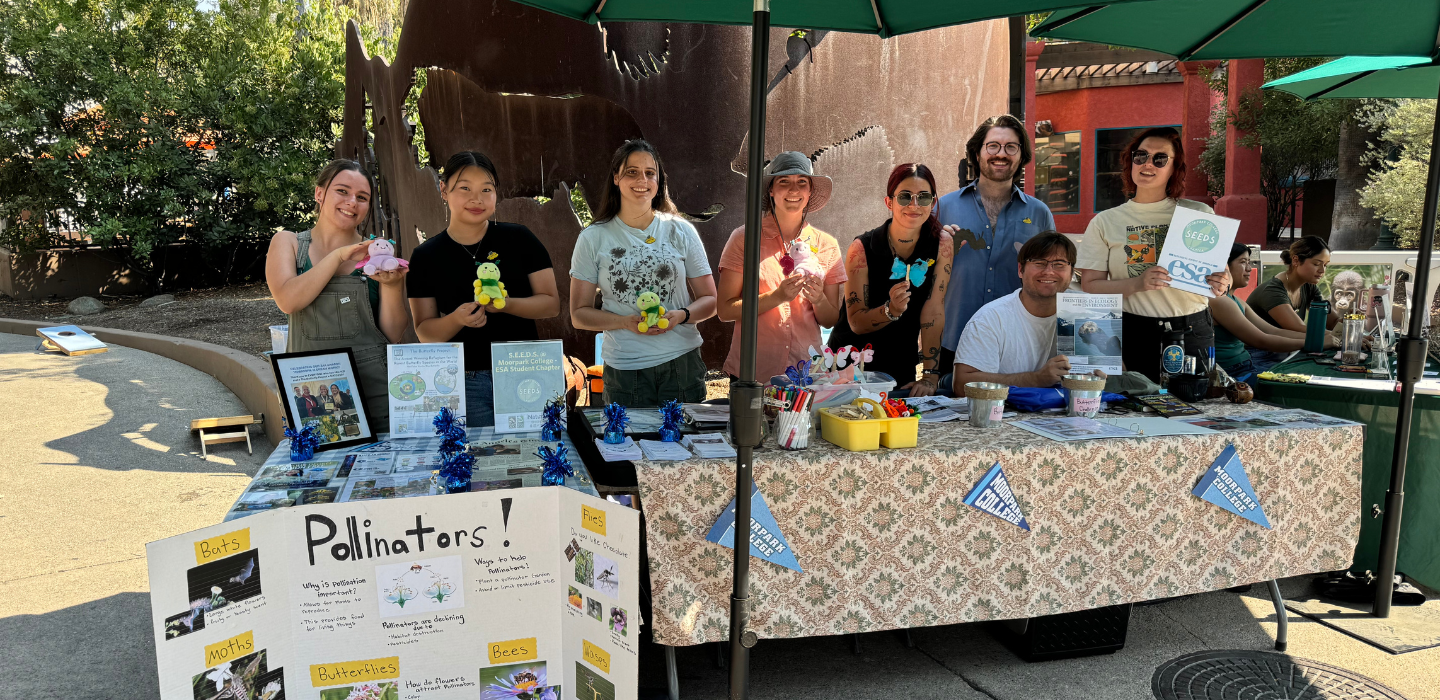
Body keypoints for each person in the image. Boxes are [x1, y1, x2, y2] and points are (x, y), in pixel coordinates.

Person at [408, 151, 560, 427]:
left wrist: (507, 304)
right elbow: (425, 332)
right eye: (464, 188)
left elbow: (551, 304)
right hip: (465, 380)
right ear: (444, 190)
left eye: (486, 190)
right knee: (477, 461)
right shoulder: (425, 256)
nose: (476, 199)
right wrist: (456, 319)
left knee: (534, 458)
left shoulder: (520, 238)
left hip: (525, 370)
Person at [569, 140, 718, 406]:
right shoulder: (593, 238)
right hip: (625, 371)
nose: (643, 180)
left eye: (650, 173)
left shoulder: (681, 231)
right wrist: (625, 322)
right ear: (616, 178)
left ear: (659, 180)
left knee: (686, 447)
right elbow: (579, 314)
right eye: (632, 172)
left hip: (682, 365)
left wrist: (681, 316)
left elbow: (710, 300)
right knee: (627, 447)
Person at [266, 160, 409, 434]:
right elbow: (288, 300)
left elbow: (393, 334)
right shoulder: (289, 243)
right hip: (310, 391)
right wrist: (339, 255)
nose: (352, 202)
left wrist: (392, 287)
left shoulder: (377, 254)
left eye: (362, 197)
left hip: (375, 391)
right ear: (320, 193)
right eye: (342, 191)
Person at [1076, 127, 1229, 382]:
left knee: (1193, 409)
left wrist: (1223, 283)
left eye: (1160, 159)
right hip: (1133, 331)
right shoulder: (1105, 222)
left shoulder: (1199, 215)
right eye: (1141, 156)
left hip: (1192, 329)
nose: (1148, 164)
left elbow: (1221, 276)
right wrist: (1137, 283)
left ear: (1174, 168)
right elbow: (1090, 286)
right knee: (1132, 410)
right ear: (1130, 161)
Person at [935, 114, 1056, 374]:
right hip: (953, 340)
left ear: (1021, 156)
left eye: (1011, 147)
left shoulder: (1039, 213)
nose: (1001, 154)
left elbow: (1054, 277)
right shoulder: (944, 207)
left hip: (1018, 344)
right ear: (977, 153)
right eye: (993, 146)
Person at [827, 163, 955, 398]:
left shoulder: (941, 243)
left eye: (923, 197)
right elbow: (855, 321)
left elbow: (933, 311)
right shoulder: (862, 248)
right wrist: (890, 310)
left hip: (900, 366)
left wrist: (929, 375)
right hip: (851, 367)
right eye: (905, 197)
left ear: (933, 203)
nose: (914, 205)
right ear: (889, 202)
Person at [716, 152, 845, 381]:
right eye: (784, 181)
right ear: (771, 190)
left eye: (801, 182)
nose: (793, 190)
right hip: (753, 372)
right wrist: (776, 296)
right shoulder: (744, 238)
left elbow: (830, 319)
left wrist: (819, 300)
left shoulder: (827, 245)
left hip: (807, 373)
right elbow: (725, 310)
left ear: (809, 192)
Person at [949, 232, 1087, 391]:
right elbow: (962, 384)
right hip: (1006, 413)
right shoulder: (990, 319)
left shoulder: (1088, 309)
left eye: (1059, 264)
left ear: (1071, 273)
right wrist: (1035, 379)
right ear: (1020, 269)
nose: (1049, 271)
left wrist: (1102, 375)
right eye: (1039, 262)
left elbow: (1115, 371)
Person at [1211, 243, 1333, 380]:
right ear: (1225, 266)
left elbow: (1274, 331)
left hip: (1246, 366)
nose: (1249, 269)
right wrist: (1317, 342)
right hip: (1235, 373)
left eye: (1249, 262)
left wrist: (1323, 338)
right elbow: (1261, 340)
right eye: (1243, 262)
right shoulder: (1218, 300)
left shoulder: (1237, 301)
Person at [1248, 235, 1341, 336]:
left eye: (1325, 265)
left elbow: (1332, 322)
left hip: (1283, 348)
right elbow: (1299, 329)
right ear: (1296, 260)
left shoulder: (1308, 286)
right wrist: (1339, 334)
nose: (1322, 270)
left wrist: (1351, 320)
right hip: (1258, 350)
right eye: (1316, 264)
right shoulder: (1273, 291)